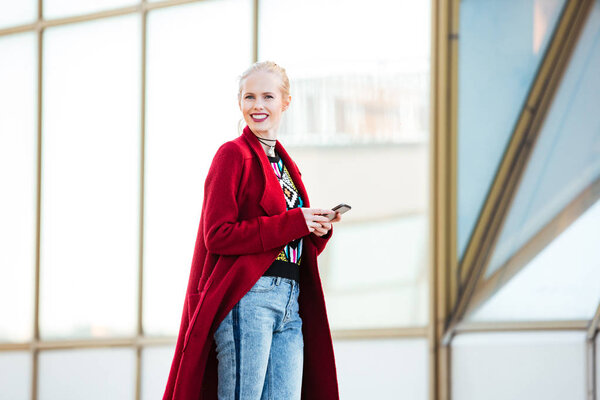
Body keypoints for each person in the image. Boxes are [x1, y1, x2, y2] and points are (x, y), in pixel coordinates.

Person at [162, 61, 342, 400]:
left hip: (291, 302)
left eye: (267, 97)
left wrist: (313, 230)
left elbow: (282, 241)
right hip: (250, 299)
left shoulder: (285, 165)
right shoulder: (232, 155)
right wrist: (294, 221)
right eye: (249, 97)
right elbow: (217, 234)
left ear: (285, 102)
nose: (257, 106)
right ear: (240, 103)